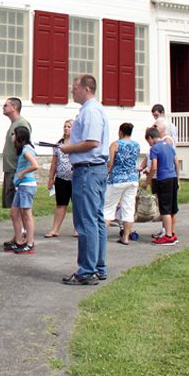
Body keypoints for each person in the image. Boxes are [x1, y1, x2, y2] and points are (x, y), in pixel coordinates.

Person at [59, 74, 111, 286]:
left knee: (86, 221)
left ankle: (87, 270)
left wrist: (68, 148)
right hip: (94, 170)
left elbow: (91, 142)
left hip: (88, 170)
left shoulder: (90, 112)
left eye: (75, 87)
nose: (72, 91)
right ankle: (98, 266)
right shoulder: (93, 110)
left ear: (86, 89)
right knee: (96, 219)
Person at [0, 97, 31, 251]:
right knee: (14, 207)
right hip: (10, 169)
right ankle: (18, 236)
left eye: (5, 105)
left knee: (18, 208)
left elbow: (24, 147)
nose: (3, 107)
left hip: (16, 171)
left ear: (14, 107)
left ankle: (23, 237)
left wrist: (20, 170)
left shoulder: (21, 124)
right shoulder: (13, 124)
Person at [105, 123, 141, 246]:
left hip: (117, 179)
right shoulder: (136, 145)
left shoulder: (115, 144)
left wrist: (106, 172)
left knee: (109, 207)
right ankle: (125, 237)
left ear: (120, 132)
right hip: (132, 178)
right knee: (128, 208)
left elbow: (111, 163)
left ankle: (102, 235)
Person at [145, 126, 180, 245]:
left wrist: (147, 181)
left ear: (151, 138)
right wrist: (178, 179)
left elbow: (154, 167)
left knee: (164, 208)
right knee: (172, 207)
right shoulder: (169, 145)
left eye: (148, 141)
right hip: (173, 177)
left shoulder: (154, 148)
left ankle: (168, 235)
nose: (149, 144)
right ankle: (172, 233)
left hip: (163, 179)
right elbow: (176, 162)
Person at [8, 125, 40, 253]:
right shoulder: (22, 150)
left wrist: (23, 172)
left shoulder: (27, 150)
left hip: (27, 185)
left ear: (19, 136)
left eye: (14, 134)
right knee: (14, 213)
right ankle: (19, 240)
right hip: (21, 186)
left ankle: (30, 243)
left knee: (26, 214)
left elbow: (35, 165)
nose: (12, 137)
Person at [44, 119, 75, 238]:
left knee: (77, 204)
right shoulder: (58, 144)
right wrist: (51, 178)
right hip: (61, 178)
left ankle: (78, 229)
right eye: (65, 126)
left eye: (69, 126)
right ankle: (55, 229)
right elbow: (54, 162)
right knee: (61, 203)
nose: (66, 128)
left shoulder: (78, 143)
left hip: (75, 178)